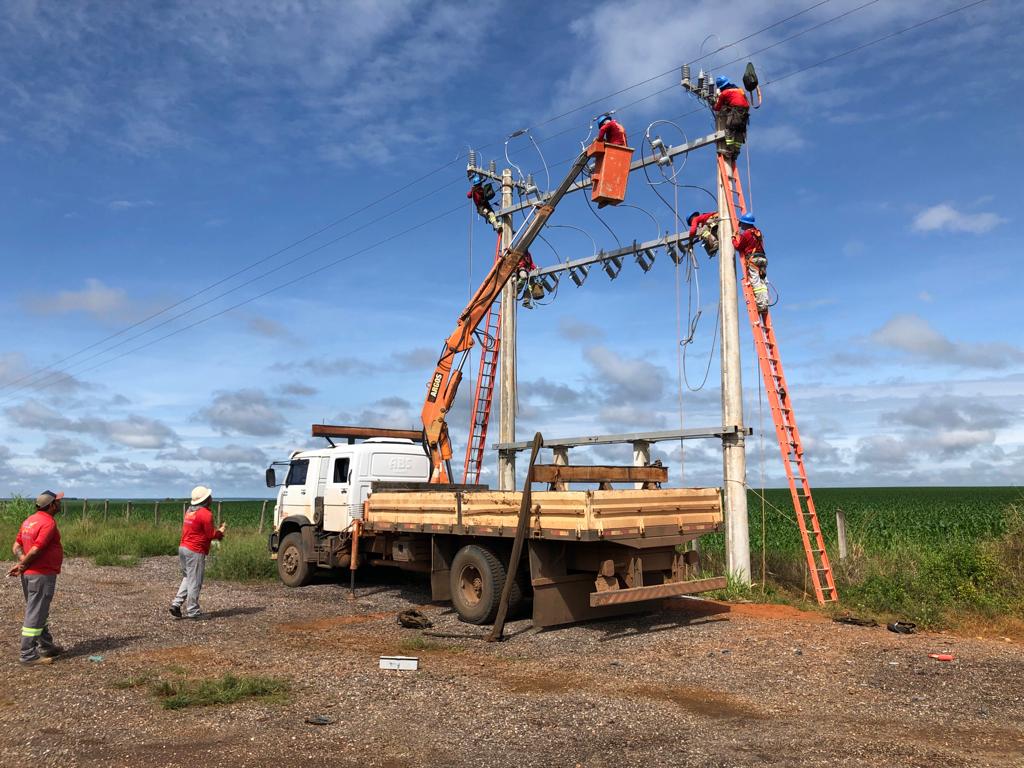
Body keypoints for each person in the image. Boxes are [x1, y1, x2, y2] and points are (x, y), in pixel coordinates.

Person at [9, 490, 65, 665]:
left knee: (40, 610)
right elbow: (36, 549)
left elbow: (16, 546)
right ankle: (27, 655)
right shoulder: (48, 523)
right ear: (52, 505)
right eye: (58, 501)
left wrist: (22, 563)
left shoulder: (29, 521)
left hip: (30, 574)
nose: (60, 503)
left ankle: (46, 646)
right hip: (41, 575)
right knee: (36, 612)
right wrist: (24, 564)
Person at [170, 485, 226, 620]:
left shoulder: (189, 511)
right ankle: (193, 611)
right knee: (195, 581)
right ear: (206, 499)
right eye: (209, 496)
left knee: (188, 577)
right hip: (195, 550)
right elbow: (210, 534)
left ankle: (176, 604)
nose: (211, 498)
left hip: (183, 547)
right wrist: (220, 532)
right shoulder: (205, 514)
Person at [733, 212, 769, 313]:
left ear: (745, 223)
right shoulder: (757, 232)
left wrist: (733, 239)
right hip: (762, 259)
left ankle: (761, 306)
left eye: (742, 224)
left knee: (756, 283)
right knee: (763, 282)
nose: (741, 226)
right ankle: (765, 303)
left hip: (753, 259)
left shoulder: (746, 234)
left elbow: (738, 247)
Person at [713, 75, 750, 157]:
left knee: (729, 129)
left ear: (721, 87)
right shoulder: (739, 90)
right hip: (745, 113)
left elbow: (717, 108)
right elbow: (744, 100)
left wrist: (714, 104)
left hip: (736, 111)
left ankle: (729, 151)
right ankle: (736, 152)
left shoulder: (724, 93)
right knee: (739, 131)